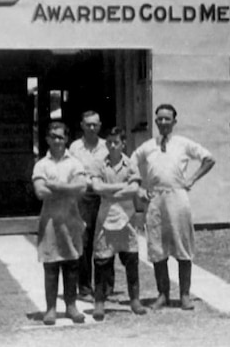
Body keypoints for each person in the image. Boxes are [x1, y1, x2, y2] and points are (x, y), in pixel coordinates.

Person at [130, 103, 215, 310]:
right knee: (157, 247)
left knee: (182, 246)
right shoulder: (148, 145)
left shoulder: (183, 143)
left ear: (174, 122)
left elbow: (209, 159)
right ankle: (162, 294)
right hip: (155, 198)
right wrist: (139, 189)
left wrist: (192, 179)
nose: (163, 122)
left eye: (167, 119)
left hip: (178, 197)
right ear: (156, 121)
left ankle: (185, 295)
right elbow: (131, 161)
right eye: (160, 118)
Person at [31, 121, 89, 325]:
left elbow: (82, 188)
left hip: (71, 219)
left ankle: (71, 306)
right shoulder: (41, 165)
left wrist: (54, 185)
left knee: (72, 264)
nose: (57, 140)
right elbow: (40, 192)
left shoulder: (74, 163)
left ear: (67, 139)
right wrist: (67, 188)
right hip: (50, 222)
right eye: (53, 136)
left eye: (61, 137)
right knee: (51, 265)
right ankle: (51, 309)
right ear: (47, 139)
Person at [88, 127, 147, 320]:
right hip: (106, 216)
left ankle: (135, 300)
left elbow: (134, 189)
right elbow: (96, 187)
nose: (112, 146)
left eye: (116, 142)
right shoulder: (99, 164)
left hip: (126, 216)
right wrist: (123, 187)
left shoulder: (130, 164)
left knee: (131, 259)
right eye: (109, 142)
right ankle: (99, 302)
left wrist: (111, 191)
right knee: (102, 261)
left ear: (123, 144)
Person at [68, 110, 109, 300]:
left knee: (105, 239)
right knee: (83, 241)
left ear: (100, 126)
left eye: (95, 124)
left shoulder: (107, 147)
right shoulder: (75, 148)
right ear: (82, 126)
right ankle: (84, 288)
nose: (92, 128)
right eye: (88, 124)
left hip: (103, 196)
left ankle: (105, 287)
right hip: (83, 197)